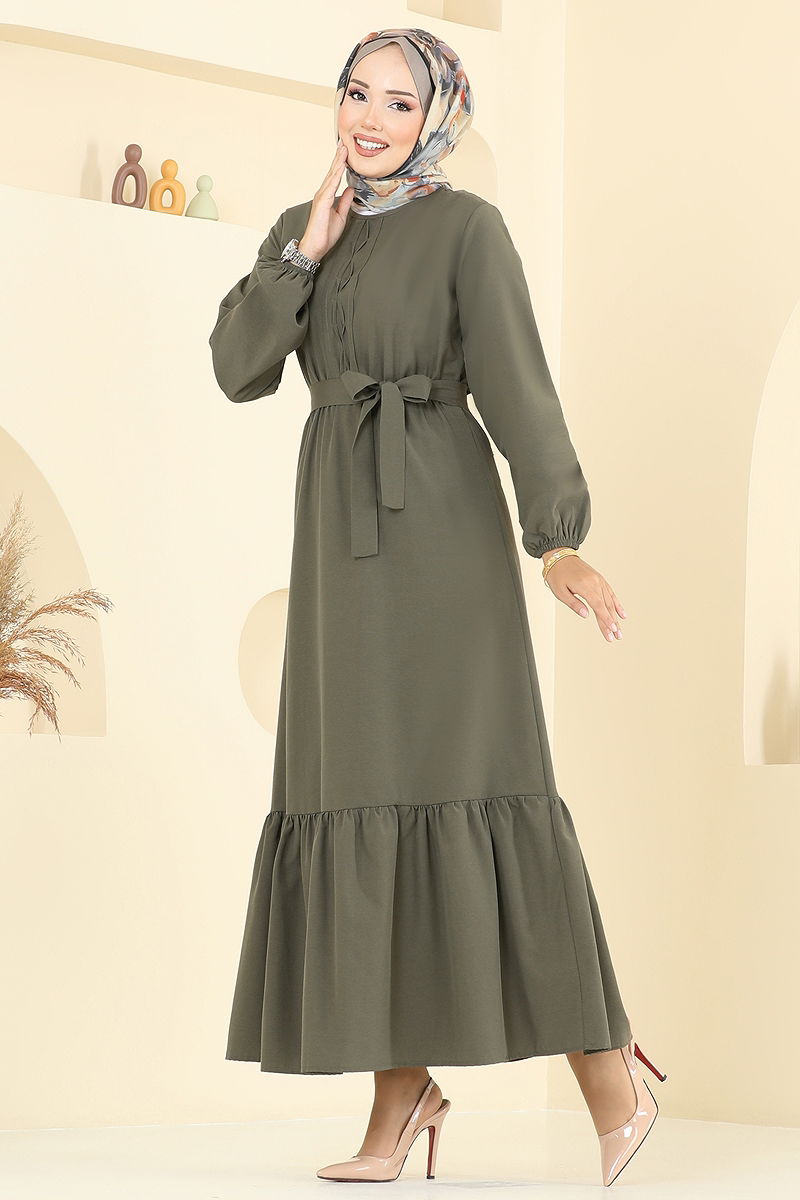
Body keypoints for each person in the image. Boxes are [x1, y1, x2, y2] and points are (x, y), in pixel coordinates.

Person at [208, 26, 666, 1188]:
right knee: (358, 795)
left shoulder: (469, 228)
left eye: (397, 103)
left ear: (436, 118)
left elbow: (517, 384)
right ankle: (398, 1096)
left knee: (483, 792)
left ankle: (611, 1083)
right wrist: (303, 254)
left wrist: (557, 540)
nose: (368, 119)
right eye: (355, 94)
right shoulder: (300, 230)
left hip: (444, 545)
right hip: (340, 555)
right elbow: (237, 368)